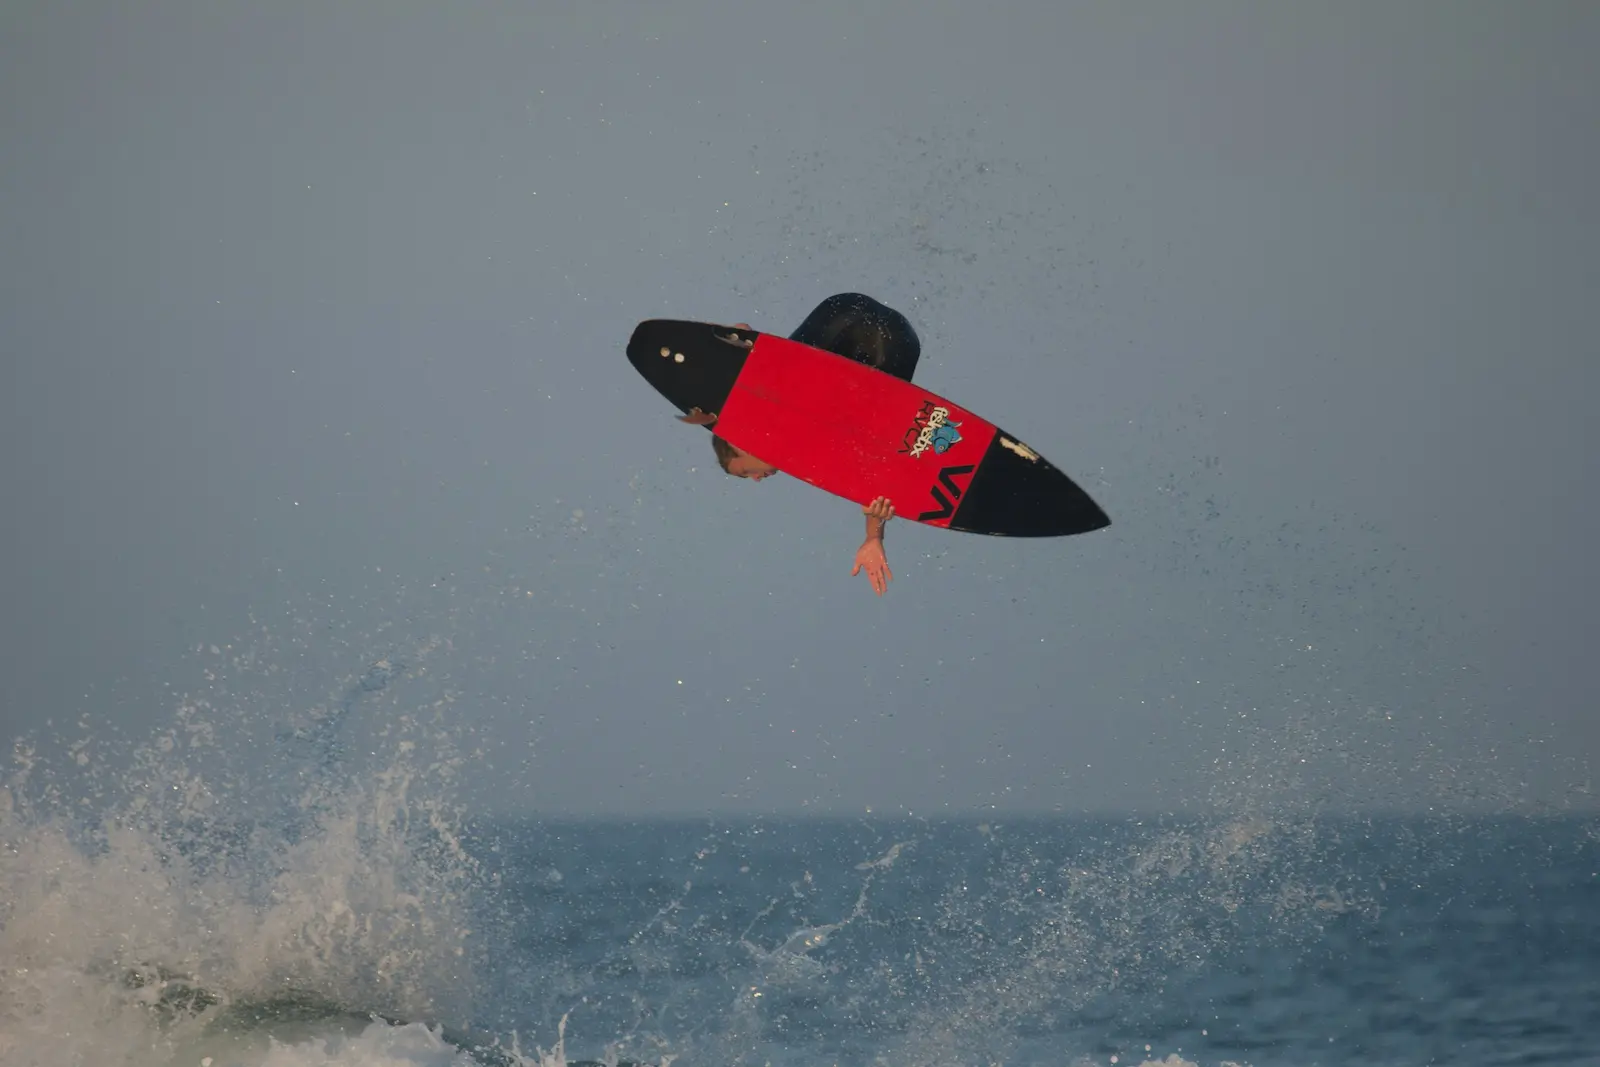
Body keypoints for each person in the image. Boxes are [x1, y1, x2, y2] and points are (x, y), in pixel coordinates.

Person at [679, 293, 922, 597]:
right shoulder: (804, 447)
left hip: (846, 325)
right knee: (860, 432)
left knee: (796, 382)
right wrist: (874, 539)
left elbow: (743, 332)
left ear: (738, 445)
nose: (755, 480)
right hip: (889, 340)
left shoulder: (760, 411)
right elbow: (869, 488)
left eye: (743, 473)